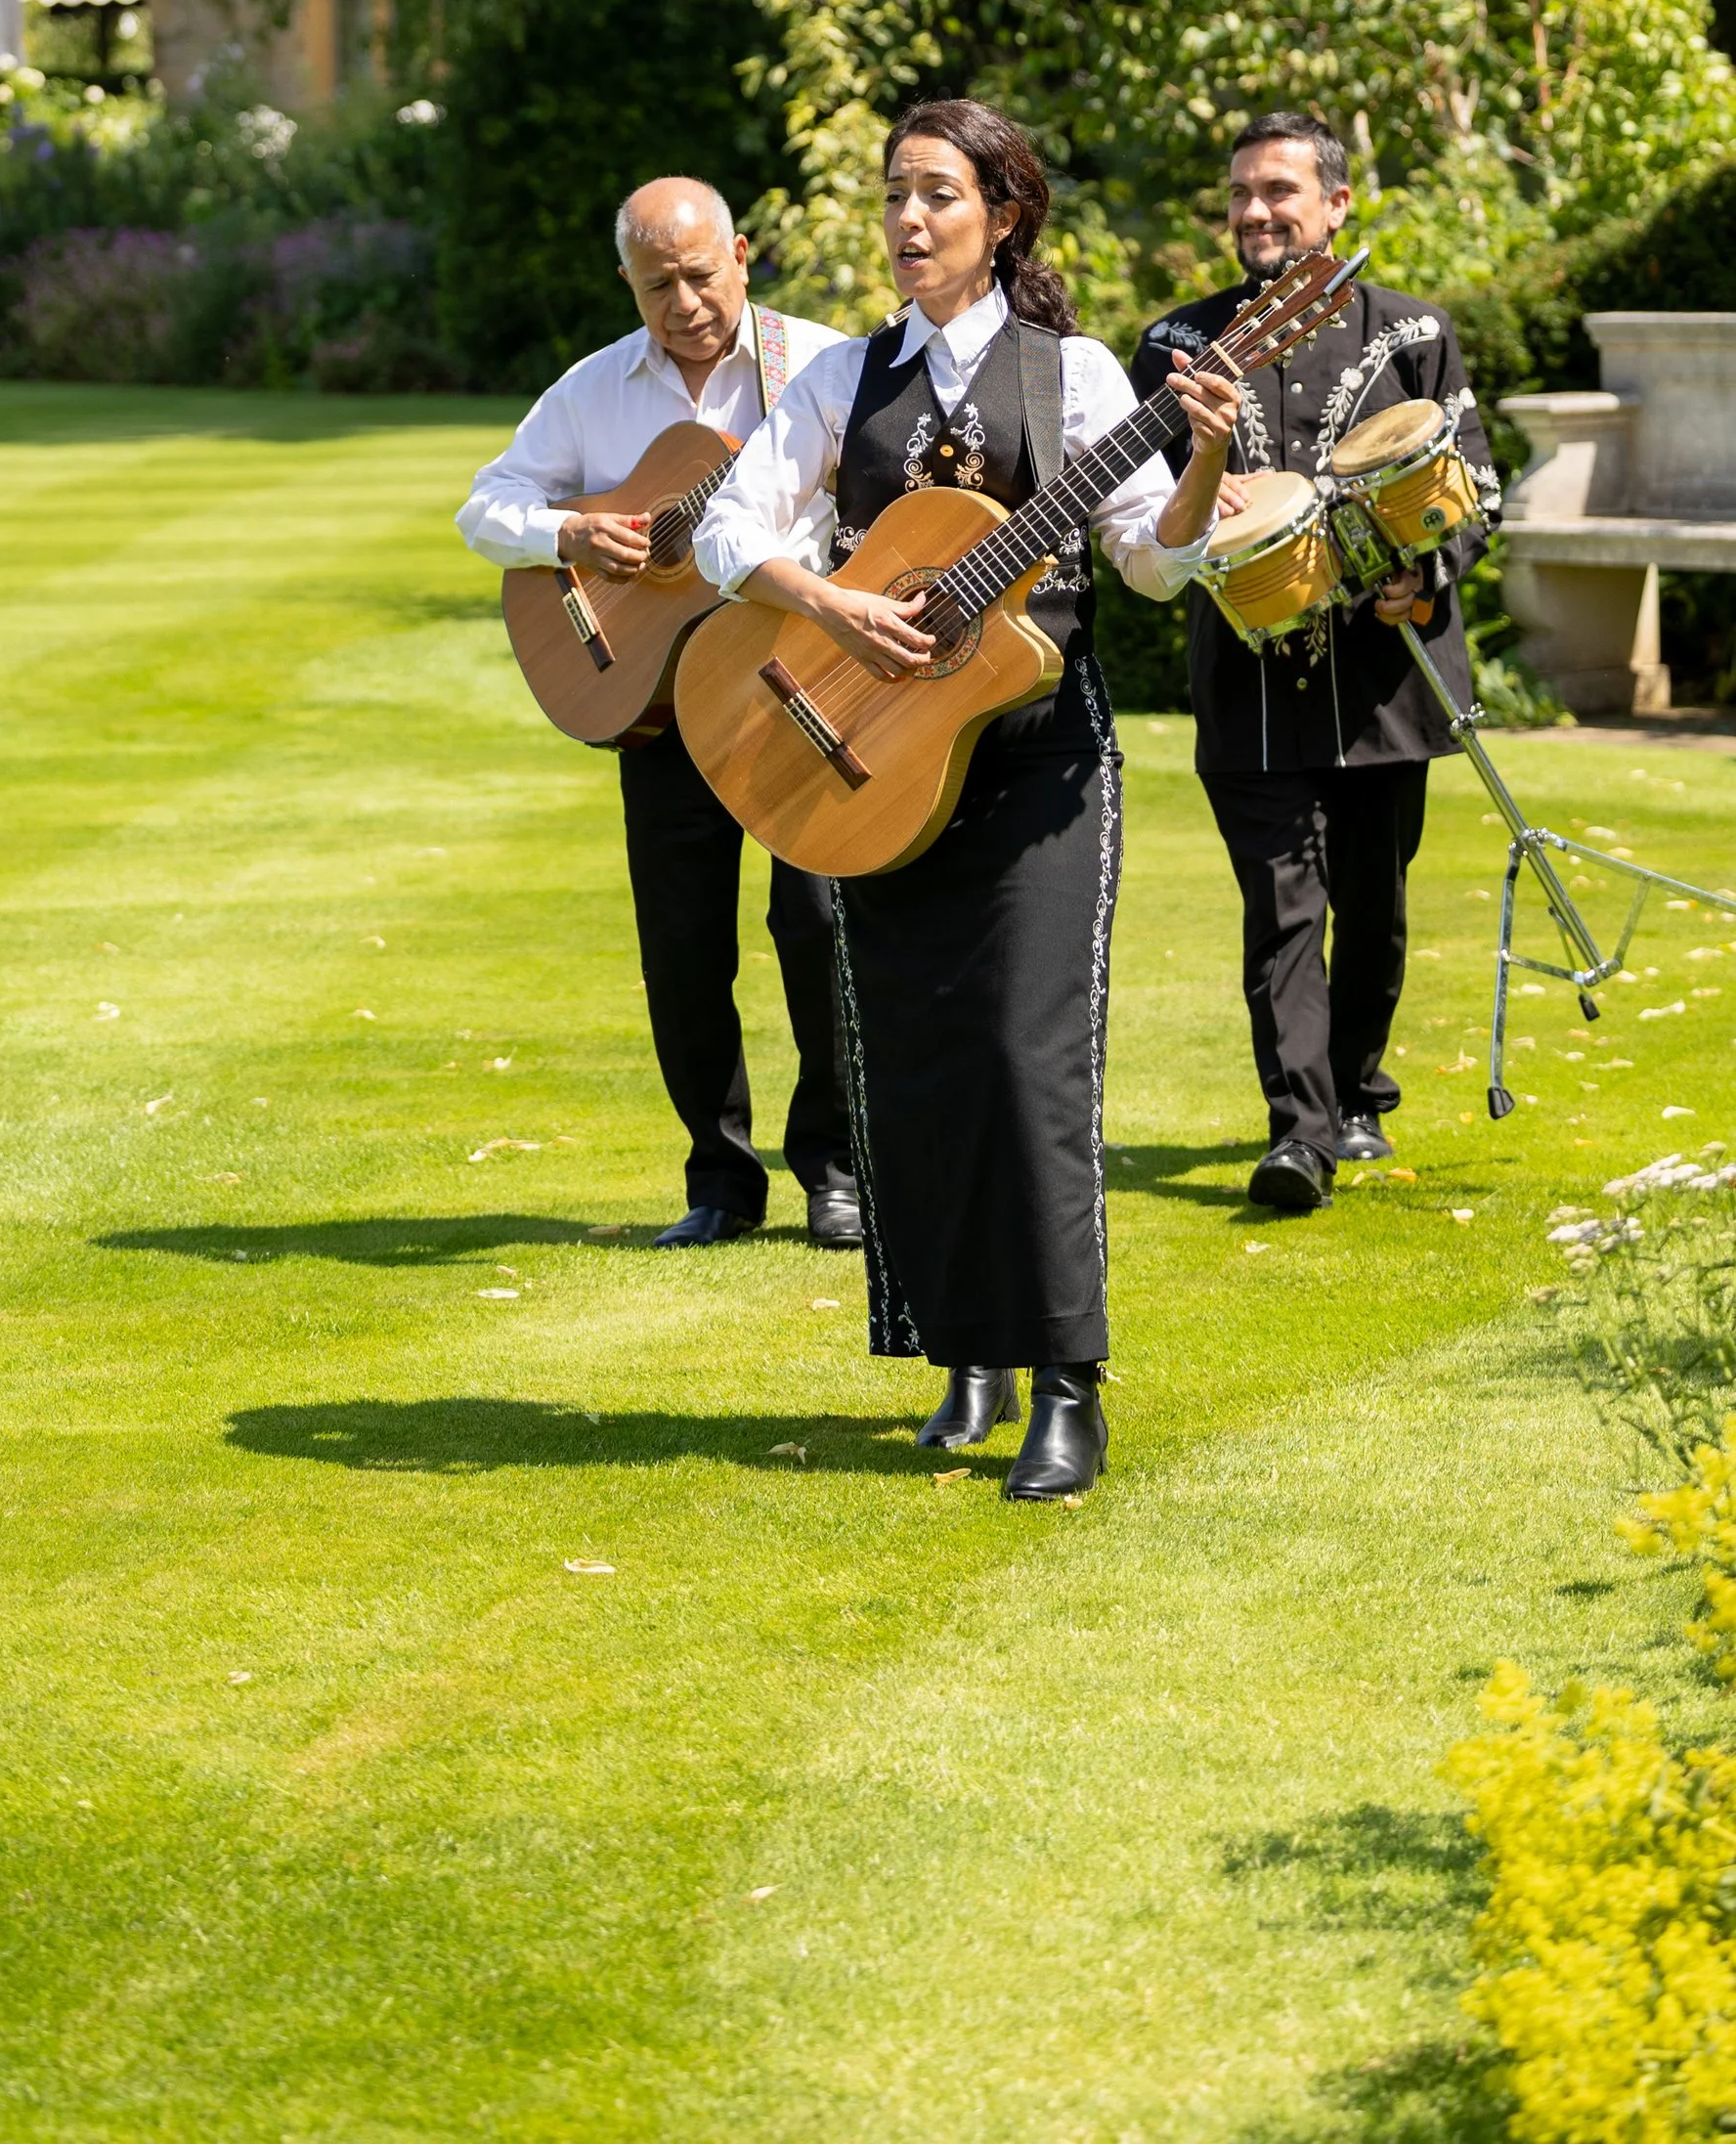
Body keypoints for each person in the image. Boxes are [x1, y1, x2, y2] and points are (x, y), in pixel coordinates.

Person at [692, 100, 1242, 1500]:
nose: (909, 220)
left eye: (938, 194)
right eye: (895, 195)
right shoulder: (843, 378)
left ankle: (1068, 1382)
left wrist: (1211, 463)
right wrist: (830, 602)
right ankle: (962, 1352)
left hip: (1040, 768)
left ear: (1003, 215)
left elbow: (1153, 566)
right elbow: (723, 526)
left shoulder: (1080, 376)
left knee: (1025, 1059)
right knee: (918, 1062)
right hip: (878, 765)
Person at [456, 179, 859, 1249]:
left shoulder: (822, 364)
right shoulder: (592, 392)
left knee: (817, 926)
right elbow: (484, 508)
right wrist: (570, 539)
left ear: (741, 253)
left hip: (797, 677)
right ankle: (719, 1182)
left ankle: (838, 1170)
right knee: (682, 946)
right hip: (658, 694)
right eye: (655, 286)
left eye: (697, 275)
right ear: (626, 284)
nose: (682, 303)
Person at [1128, 112, 1498, 1216]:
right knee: (1282, 907)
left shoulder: (1414, 332)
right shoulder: (1173, 348)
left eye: (1279, 191)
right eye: (1241, 193)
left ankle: (1356, 1094)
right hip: (1243, 678)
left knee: (1373, 906)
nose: (1255, 212)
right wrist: (1196, 494)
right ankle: (1299, 1133)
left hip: (1390, 675)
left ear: (1337, 203)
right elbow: (1140, 508)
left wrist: (1425, 575)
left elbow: (1476, 485)